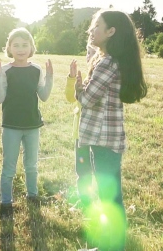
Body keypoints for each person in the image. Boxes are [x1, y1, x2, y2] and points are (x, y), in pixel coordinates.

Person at [74, 9, 148, 251]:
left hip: (103, 139)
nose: (90, 30)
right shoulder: (108, 59)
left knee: (110, 197)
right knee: (109, 194)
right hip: (106, 138)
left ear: (111, 32)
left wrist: (78, 87)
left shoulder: (106, 63)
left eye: (96, 26)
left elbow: (87, 99)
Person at [0, 27, 53, 216]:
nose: (20, 49)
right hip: (11, 125)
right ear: (9, 47)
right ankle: (6, 203)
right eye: (16, 45)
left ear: (31, 47)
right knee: (9, 165)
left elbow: (43, 96)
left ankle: (32, 195)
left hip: (32, 125)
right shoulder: (6, 70)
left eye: (24, 45)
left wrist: (50, 77)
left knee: (31, 164)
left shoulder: (36, 69)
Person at [65, 39, 96, 212]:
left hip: (96, 135)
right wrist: (72, 79)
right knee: (83, 170)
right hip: (80, 135)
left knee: (97, 170)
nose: (89, 56)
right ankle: (85, 201)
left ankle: (98, 200)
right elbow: (70, 98)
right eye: (87, 52)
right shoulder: (83, 79)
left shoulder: (97, 79)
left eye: (92, 52)